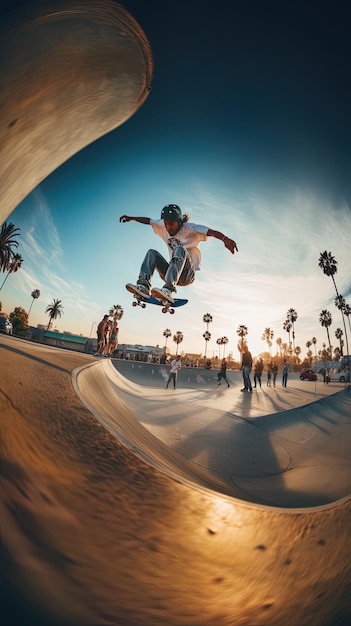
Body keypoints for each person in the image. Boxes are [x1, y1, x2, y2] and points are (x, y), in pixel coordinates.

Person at [120, 205, 238, 304]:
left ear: (180, 221)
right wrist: (131, 218)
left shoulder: (192, 228)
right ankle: (143, 287)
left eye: (171, 224)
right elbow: (148, 220)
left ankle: (169, 290)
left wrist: (225, 239)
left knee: (180, 249)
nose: (168, 227)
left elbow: (211, 232)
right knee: (152, 253)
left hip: (187, 274)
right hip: (170, 273)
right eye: (166, 224)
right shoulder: (162, 225)